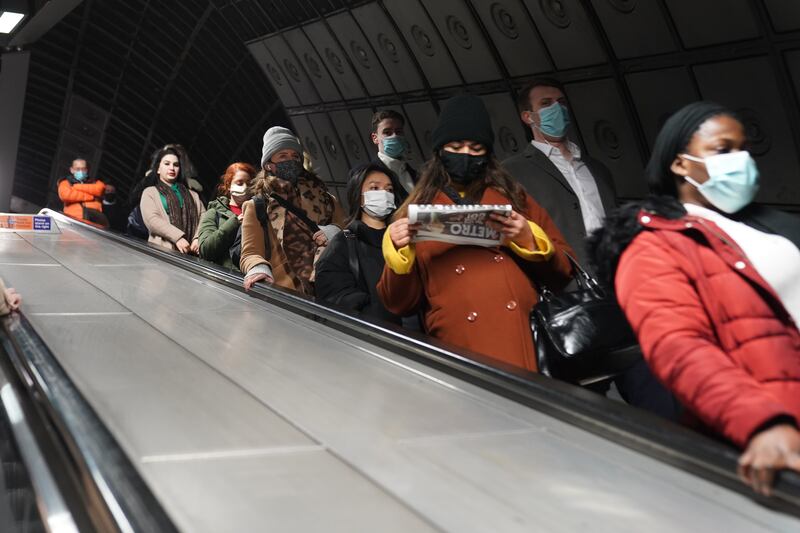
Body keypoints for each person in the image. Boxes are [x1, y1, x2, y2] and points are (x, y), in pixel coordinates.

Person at [588, 101, 800, 496]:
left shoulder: (771, 226)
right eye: (722, 150)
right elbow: (679, 346)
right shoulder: (654, 246)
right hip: (774, 434)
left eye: (743, 149)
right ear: (680, 164)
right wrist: (762, 423)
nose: (741, 160)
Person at [378, 94, 574, 370]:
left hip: (522, 341)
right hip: (458, 348)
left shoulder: (513, 197)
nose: (466, 155)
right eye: (456, 146)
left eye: (476, 148)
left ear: (488, 153)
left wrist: (529, 240)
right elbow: (398, 304)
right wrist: (399, 253)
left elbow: (564, 271)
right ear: (440, 151)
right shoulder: (418, 210)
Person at [503, 78, 616, 266]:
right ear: (528, 117)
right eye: (546, 103)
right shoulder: (513, 171)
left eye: (561, 103)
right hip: (565, 280)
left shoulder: (597, 169)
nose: (557, 109)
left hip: (615, 275)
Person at [240, 126, 345, 294]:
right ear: (268, 165)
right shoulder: (258, 205)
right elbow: (250, 252)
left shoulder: (326, 200)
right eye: (282, 156)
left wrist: (333, 232)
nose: (291, 160)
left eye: (295, 156)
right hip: (287, 291)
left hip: (331, 287)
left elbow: (348, 231)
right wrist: (258, 268)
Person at [315, 163, 404, 323]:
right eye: (374, 188)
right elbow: (337, 300)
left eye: (389, 190)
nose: (384, 194)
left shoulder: (403, 239)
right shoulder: (341, 246)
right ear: (358, 195)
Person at [139, 146, 206, 253]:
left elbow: (204, 217)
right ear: (158, 169)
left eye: (176, 165)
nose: (172, 168)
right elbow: (152, 220)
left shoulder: (193, 195)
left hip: (191, 252)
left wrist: (198, 238)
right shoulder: (150, 192)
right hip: (161, 251)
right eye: (167, 164)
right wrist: (177, 238)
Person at [198, 162, 256, 270]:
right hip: (224, 278)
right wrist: (235, 222)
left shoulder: (258, 213)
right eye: (239, 183)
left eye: (249, 183)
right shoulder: (214, 212)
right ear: (229, 185)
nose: (245, 187)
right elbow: (205, 250)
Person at [371, 110, 418, 199]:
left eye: (398, 131)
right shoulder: (367, 176)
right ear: (375, 138)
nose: (394, 136)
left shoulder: (416, 175)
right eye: (387, 132)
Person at [57, 158, 109, 226]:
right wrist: (92, 196)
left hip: (96, 221)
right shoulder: (65, 182)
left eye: (83, 169)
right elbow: (66, 195)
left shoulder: (95, 182)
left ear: (87, 170)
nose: (81, 171)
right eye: (77, 169)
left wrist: (76, 187)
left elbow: (100, 190)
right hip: (73, 220)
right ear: (72, 170)